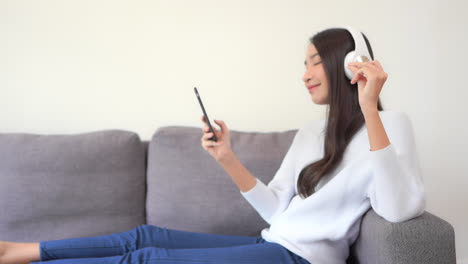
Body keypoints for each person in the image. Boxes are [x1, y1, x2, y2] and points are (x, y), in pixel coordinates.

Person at [0, 26, 425, 264]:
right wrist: (226, 157)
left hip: (303, 260)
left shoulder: (388, 125)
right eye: (305, 64)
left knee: (150, 262)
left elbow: (399, 208)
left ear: (347, 65)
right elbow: (276, 210)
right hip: (274, 243)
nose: (306, 74)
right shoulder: (310, 134)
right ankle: (22, 249)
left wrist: (369, 109)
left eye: (315, 62)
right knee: (147, 236)